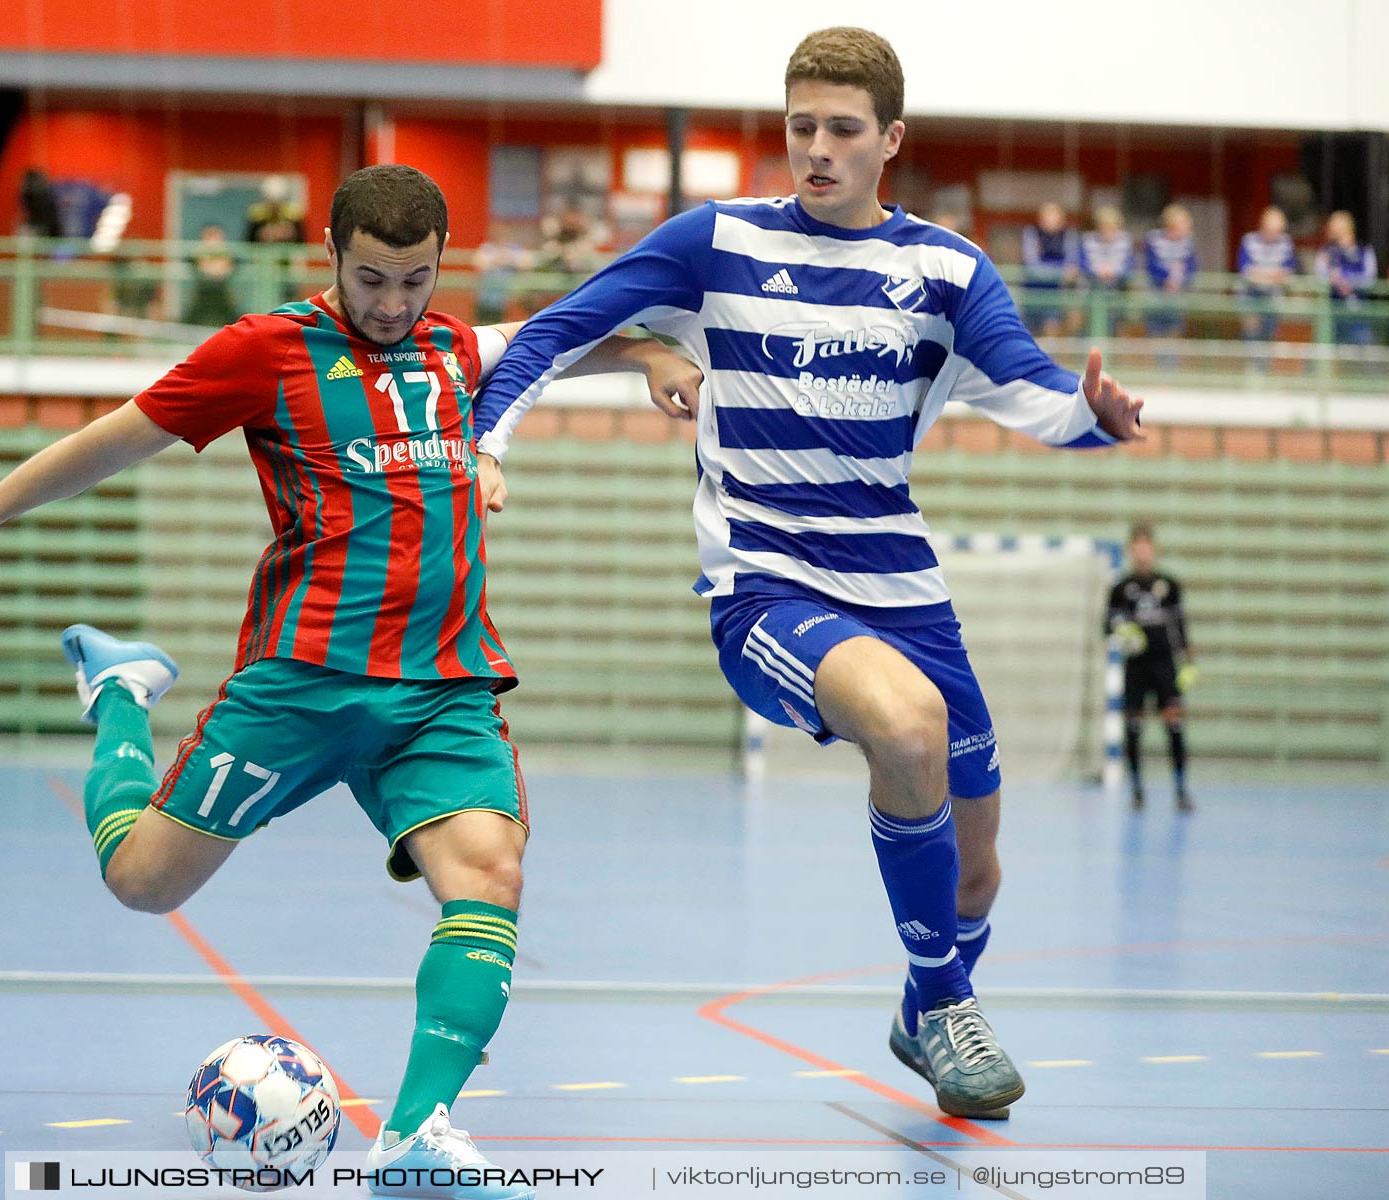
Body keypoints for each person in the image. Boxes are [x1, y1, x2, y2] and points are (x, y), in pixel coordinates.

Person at [0, 164, 693, 1200]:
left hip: (440, 688)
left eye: (414, 280)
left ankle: (415, 1137)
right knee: (143, 883)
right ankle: (120, 696)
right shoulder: (265, 351)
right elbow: (114, 440)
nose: (392, 303)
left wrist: (643, 349)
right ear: (329, 256)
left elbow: (553, 345)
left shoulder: (450, 345)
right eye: (372, 279)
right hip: (301, 684)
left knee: (488, 875)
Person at [471, 26, 1145, 1119]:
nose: (817, 149)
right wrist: (489, 442)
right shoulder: (716, 242)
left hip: (905, 591)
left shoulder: (942, 269)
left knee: (978, 872)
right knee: (909, 727)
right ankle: (943, 1007)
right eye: (800, 128)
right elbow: (551, 333)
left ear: (890, 139)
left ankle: (928, 1000)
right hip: (765, 586)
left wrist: (1090, 416)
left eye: (841, 129)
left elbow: (1026, 385)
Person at [1105, 524, 1195, 813]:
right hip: (1137, 666)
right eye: (1137, 548)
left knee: (1174, 725)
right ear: (1131, 550)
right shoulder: (1121, 589)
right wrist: (1124, 633)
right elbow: (1107, 627)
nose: (1142, 553)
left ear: (1153, 550)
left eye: (1147, 547)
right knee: (1134, 727)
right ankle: (1137, 791)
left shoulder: (1169, 585)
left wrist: (1188, 662)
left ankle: (1181, 790)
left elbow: (1181, 627)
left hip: (1165, 665)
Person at [1314, 210, 1379, 348]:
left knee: (1363, 354)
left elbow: (1370, 279)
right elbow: (1320, 275)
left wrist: (1345, 280)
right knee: (1325, 353)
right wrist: (1335, 280)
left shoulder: (1364, 250)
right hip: (1332, 312)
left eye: (1334, 226)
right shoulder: (1326, 251)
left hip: (1357, 312)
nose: (1330, 229)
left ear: (1346, 228)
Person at [1237, 205, 1296, 346]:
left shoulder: (1286, 242)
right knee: (1251, 335)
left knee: (1269, 335)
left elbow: (1288, 272)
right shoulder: (1249, 240)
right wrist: (1272, 276)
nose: (1274, 234)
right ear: (1263, 225)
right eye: (1271, 230)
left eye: (1278, 231)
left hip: (1273, 298)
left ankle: (1265, 366)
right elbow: (1246, 271)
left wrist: (1262, 275)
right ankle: (1252, 366)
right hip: (1250, 296)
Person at [1019, 201, 1079, 336]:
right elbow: (1032, 265)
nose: (1050, 221)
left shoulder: (1069, 235)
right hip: (1032, 291)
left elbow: (1072, 264)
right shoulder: (1031, 232)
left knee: (1053, 329)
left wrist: (1064, 273)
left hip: (1058, 291)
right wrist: (1059, 271)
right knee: (1029, 333)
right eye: (1046, 217)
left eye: (1054, 217)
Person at [1143, 203, 1197, 342]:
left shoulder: (1188, 242)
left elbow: (1191, 267)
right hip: (1156, 292)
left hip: (1178, 293)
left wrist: (1179, 279)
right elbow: (1150, 266)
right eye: (1184, 224)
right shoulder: (1153, 239)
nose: (1188, 228)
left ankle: (1170, 363)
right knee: (1156, 332)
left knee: (1174, 331)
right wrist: (1167, 277)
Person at [1079, 206, 1134, 335]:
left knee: (1115, 330)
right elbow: (1082, 264)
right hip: (1091, 292)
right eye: (1105, 227)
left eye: (1112, 228)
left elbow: (1130, 265)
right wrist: (1098, 271)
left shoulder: (1125, 241)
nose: (1108, 232)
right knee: (1089, 331)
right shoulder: (1087, 240)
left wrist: (1114, 271)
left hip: (1117, 293)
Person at [182, 223, 241, 328]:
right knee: (191, 320)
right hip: (202, 292)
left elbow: (227, 266)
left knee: (233, 319)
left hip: (222, 292)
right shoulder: (198, 251)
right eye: (210, 236)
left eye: (216, 236)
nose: (213, 240)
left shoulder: (227, 252)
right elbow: (198, 265)